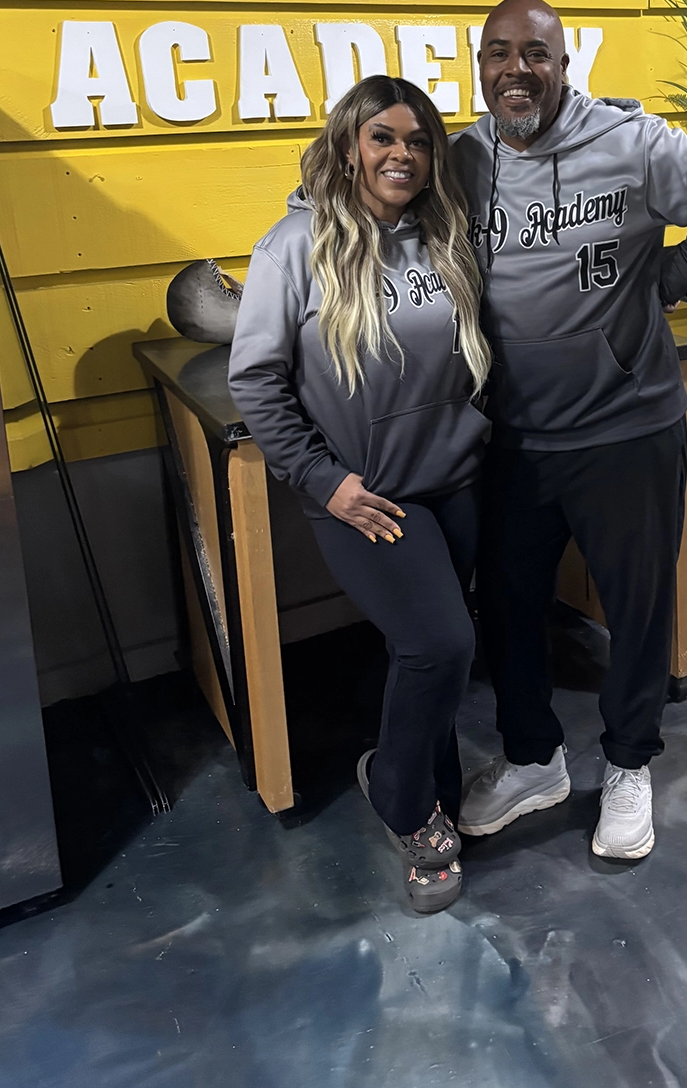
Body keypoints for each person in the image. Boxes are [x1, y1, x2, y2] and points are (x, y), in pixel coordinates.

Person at [451, 0, 687, 860]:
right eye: (497, 53)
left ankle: (629, 765)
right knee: (510, 607)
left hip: (627, 427)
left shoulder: (632, 144)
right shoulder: (462, 158)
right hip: (515, 434)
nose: (515, 69)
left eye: (535, 54)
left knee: (637, 607)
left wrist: (660, 281)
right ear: (480, 65)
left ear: (564, 64)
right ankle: (533, 760)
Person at [228, 77, 493, 914]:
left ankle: (433, 778)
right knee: (438, 646)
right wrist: (323, 481)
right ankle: (403, 802)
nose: (401, 156)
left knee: (435, 646)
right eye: (382, 138)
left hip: (456, 479)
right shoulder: (293, 246)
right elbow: (256, 381)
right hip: (367, 498)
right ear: (349, 145)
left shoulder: (442, 237)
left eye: (417, 142)